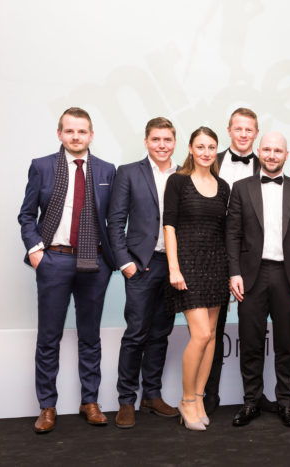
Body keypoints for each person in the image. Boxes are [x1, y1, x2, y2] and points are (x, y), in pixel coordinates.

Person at [18, 107, 116, 433]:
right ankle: (47, 406)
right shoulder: (42, 166)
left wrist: (112, 261)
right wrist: (36, 251)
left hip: (95, 263)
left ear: (91, 135)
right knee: (49, 337)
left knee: (90, 336)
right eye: (70, 131)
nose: (76, 137)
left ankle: (90, 402)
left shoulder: (107, 170)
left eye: (82, 131)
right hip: (54, 261)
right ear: (60, 134)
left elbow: (114, 219)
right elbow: (26, 215)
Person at [227, 131, 290, 428]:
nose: (271, 155)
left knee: (286, 343)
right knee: (250, 343)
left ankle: (285, 401)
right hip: (250, 276)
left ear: (286, 155)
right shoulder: (241, 188)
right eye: (266, 149)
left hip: (287, 276)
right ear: (259, 151)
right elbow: (232, 234)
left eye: (278, 150)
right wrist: (234, 272)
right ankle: (251, 401)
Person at [203, 107, 278, 416]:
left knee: (254, 330)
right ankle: (209, 395)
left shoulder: (269, 166)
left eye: (249, 129)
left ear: (256, 133)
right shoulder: (210, 161)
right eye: (239, 128)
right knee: (211, 330)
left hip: (253, 260)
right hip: (211, 255)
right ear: (229, 130)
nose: (244, 134)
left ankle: (255, 395)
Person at [107, 117, 180, 429]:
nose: (162, 145)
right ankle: (126, 400)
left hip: (172, 266)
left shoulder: (184, 175)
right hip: (140, 266)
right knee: (136, 333)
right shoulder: (128, 172)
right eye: (156, 139)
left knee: (161, 333)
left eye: (167, 139)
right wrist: (126, 263)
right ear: (147, 141)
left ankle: (152, 395)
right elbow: (115, 221)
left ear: (174, 142)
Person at [163, 126, 230, 431]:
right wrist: (174, 268)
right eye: (200, 146)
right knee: (200, 334)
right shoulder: (177, 181)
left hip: (216, 266)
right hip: (188, 266)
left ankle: (199, 398)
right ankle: (187, 399)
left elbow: (225, 231)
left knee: (212, 335)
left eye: (211, 147)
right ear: (190, 148)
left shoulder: (223, 186)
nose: (206, 152)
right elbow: (169, 226)